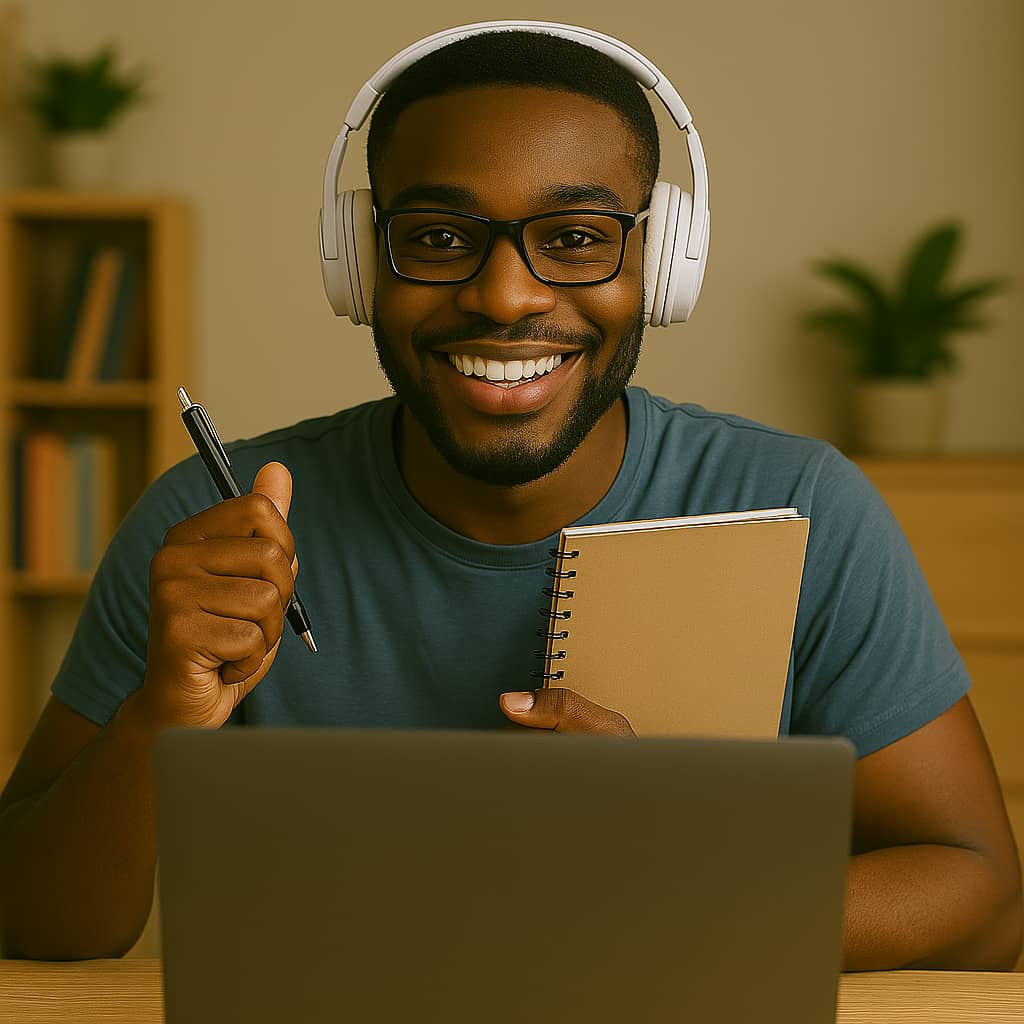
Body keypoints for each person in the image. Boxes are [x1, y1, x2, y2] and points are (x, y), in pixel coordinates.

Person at [0, 24, 1021, 970]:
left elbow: (983, 905)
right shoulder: (214, 531)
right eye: (439, 237)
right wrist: (158, 717)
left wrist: (674, 876)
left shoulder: (801, 504)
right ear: (360, 263)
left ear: (664, 261)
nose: (504, 295)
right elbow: (32, 920)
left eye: (575, 236)